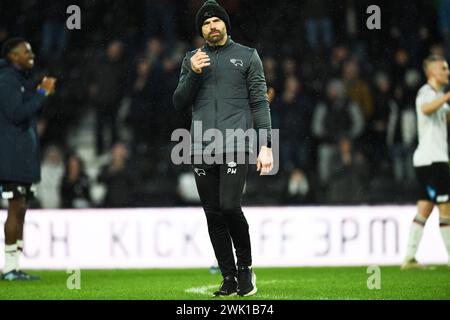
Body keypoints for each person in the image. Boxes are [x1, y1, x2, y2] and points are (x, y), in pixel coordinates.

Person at [173, 0, 273, 297]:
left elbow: (259, 102)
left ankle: (245, 270)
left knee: (230, 207)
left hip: (235, 144)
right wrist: (192, 72)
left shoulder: (247, 56)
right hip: (201, 146)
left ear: (226, 25)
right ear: (201, 30)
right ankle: (228, 278)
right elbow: (179, 102)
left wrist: (265, 145)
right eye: (205, 23)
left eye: (216, 21)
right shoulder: (192, 59)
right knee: (213, 214)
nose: (212, 26)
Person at [0, 38, 56, 280]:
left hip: (24, 156)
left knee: (21, 209)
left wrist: (39, 94)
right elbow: (15, 114)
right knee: (15, 208)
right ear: (13, 56)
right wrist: (42, 93)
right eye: (26, 51)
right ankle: (10, 269)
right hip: (12, 156)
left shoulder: (20, 80)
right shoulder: (7, 80)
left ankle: (14, 266)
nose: (31, 54)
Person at [402, 55, 450, 269]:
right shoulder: (426, 93)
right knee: (446, 207)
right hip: (433, 160)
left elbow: (445, 116)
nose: (448, 72)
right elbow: (426, 109)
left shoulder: (438, 95)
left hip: (431, 159)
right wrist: (447, 96)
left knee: (425, 207)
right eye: (444, 69)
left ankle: (409, 258)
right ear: (432, 72)